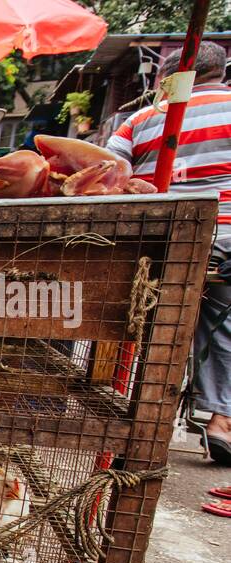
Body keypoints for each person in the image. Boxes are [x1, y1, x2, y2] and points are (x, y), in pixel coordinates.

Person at [108, 41, 231, 470]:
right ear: (222, 70)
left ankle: (134, 406)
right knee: (223, 329)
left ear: (167, 79)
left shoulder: (141, 119)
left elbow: (107, 172)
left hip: (153, 242)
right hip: (224, 234)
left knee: (144, 324)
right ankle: (221, 420)